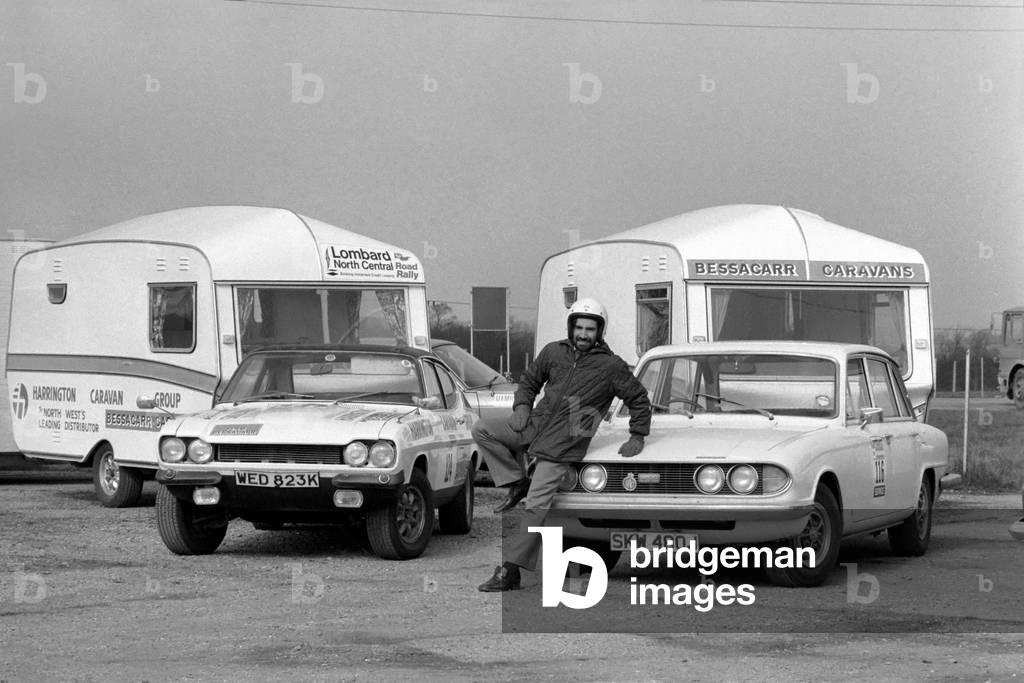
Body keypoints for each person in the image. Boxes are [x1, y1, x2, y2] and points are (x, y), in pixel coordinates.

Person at [474, 297, 652, 592]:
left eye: (590, 329)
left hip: (564, 443)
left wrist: (637, 435)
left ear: (600, 332)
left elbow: (639, 399)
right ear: (571, 327)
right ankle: (516, 481)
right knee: (482, 429)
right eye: (579, 327)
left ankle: (510, 570)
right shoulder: (553, 352)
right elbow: (529, 381)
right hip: (534, 425)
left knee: (535, 507)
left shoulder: (611, 366)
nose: (583, 334)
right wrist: (522, 406)